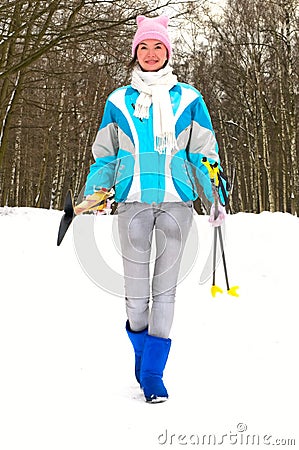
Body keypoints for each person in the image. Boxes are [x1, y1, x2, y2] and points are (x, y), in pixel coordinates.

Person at [83, 15, 227, 403]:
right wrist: (96, 191)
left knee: (165, 290)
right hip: (131, 203)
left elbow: (203, 153)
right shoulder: (118, 101)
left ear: (168, 51)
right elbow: (105, 156)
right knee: (134, 293)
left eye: (157, 46)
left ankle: (152, 373)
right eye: (143, 47)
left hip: (177, 204)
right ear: (135, 53)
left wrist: (215, 195)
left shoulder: (190, 99)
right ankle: (143, 352)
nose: (150, 53)